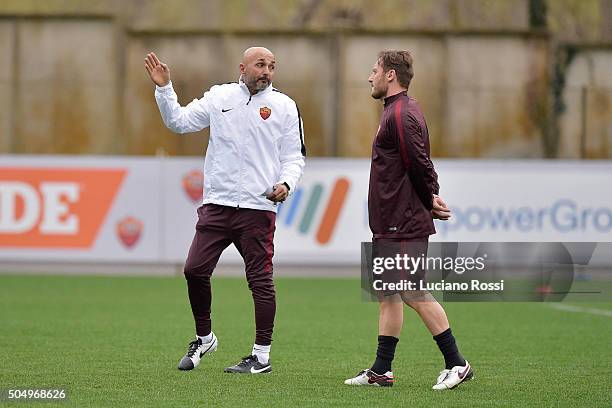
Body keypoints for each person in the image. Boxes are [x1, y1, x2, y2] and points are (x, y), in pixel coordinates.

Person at [144, 47, 305, 374]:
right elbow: (179, 122)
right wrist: (164, 88)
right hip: (217, 204)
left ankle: (261, 356)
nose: (267, 71)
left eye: (272, 66)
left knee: (260, 281)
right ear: (242, 67)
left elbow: (294, 156)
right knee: (194, 270)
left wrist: (286, 183)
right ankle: (204, 338)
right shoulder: (220, 96)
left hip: (258, 208)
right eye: (261, 64)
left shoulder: (285, 106)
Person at [344, 50, 473, 390]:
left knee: (412, 291)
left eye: (374, 71)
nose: (369, 77)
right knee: (388, 293)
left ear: (390, 75)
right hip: (390, 221)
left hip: (403, 220)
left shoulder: (401, 113)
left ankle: (457, 363)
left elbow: (418, 161)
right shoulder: (394, 111)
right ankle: (381, 371)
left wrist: (429, 197)